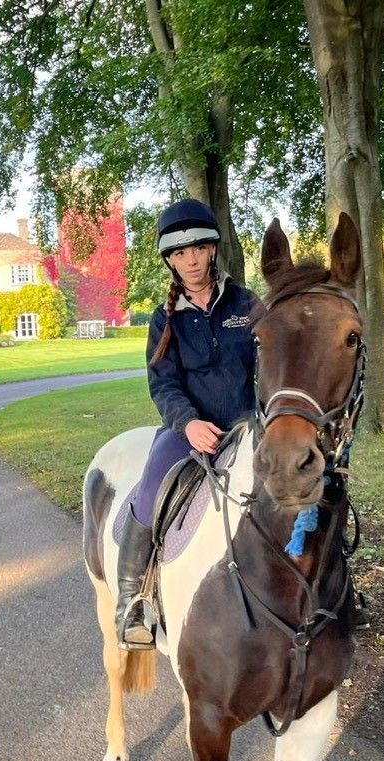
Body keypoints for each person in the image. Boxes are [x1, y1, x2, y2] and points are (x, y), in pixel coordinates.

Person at [116, 199, 259, 649]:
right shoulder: (165, 317)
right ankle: (132, 601)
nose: (191, 260)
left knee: (302, 480)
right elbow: (163, 384)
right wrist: (189, 423)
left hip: (247, 426)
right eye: (179, 253)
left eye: (198, 248)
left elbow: (270, 366)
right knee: (150, 488)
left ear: (213, 249)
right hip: (188, 431)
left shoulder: (247, 304)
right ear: (170, 260)